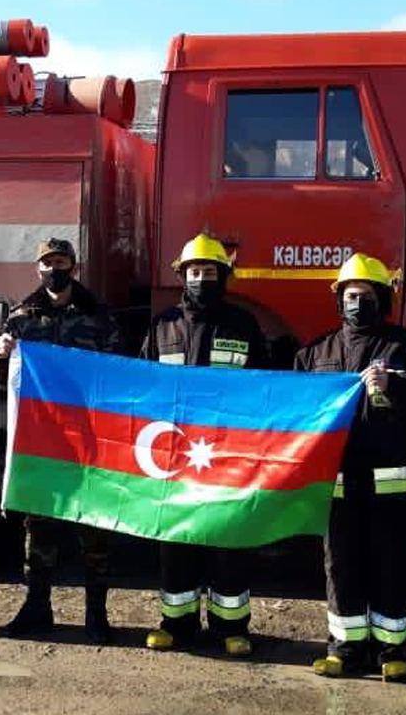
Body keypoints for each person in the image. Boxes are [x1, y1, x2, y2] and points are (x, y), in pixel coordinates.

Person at [294, 253, 406, 682]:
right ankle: (344, 649)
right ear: (339, 301)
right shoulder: (316, 352)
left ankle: (392, 650)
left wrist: (394, 384)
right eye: (351, 295)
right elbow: (296, 417)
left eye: (367, 295)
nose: (358, 302)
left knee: (391, 567)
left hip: (390, 488)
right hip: (337, 487)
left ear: (383, 298)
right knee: (341, 567)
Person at [140, 233, 268, 658]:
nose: (201, 279)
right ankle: (175, 624)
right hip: (174, 455)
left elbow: (265, 390)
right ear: (182, 276)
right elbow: (140, 387)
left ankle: (231, 627)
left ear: (223, 276)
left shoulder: (243, 325)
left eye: (209, 272)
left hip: (228, 454)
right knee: (175, 539)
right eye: (194, 272)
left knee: (228, 541)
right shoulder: (162, 326)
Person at [0, 238, 122, 644]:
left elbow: (118, 370)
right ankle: (37, 607)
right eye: (47, 263)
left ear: (74, 267)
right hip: (42, 441)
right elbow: (3, 377)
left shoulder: (99, 317)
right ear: (38, 270)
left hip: (89, 442)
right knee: (39, 527)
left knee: (94, 528)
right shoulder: (21, 318)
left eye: (61, 262)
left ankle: (96, 615)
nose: (54, 269)